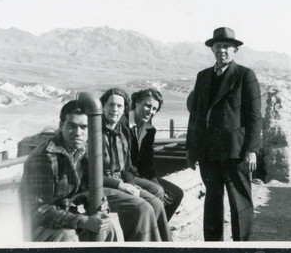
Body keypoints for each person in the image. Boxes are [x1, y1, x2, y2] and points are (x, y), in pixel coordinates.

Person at [186, 27, 262, 241]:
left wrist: (252, 150)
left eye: (227, 46)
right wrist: (191, 149)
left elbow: (255, 116)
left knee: (240, 202)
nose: (222, 50)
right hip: (208, 152)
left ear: (235, 50)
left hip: (235, 151)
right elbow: (196, 117)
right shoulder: (203, 77)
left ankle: (243, 245)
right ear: (212, 50)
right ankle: (213, 245)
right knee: (212, 202)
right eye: (218, 46)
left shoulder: (245, 75)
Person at [20, 99, 116, 242]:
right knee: (67, 236)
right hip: (37, 226)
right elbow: (40, 210)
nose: (78, 133)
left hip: (67, 218)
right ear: (61, 126)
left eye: (83, 127)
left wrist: (103, 210)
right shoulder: (43, 158)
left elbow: (93, 190)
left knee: (107, 228)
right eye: (72, 126)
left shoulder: (83, 152)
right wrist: (82, 221)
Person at [100, 88, 172, 241]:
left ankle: (166, 245)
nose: (115, 110)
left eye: (119, 106)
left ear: (124, 108)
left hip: (123, 179)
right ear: (102, 106)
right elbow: (89, 173)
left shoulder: (122, 131)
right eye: (111, 105)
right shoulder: (94, 132)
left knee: (157, 204)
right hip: (103, 186)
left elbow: (127, 165)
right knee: (145, 207)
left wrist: (131, 184)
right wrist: (123, 185)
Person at [128, 88, 184, 222]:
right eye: (147, 105)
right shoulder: (123, 123)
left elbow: (147, 162)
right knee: (156, 193)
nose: (150, 111)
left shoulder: (149, 130)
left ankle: (156, 231)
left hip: (139, 174)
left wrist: (154, 180)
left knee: (175, 194)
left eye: (154, 109)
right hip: (125, 174)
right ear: (136, 103)